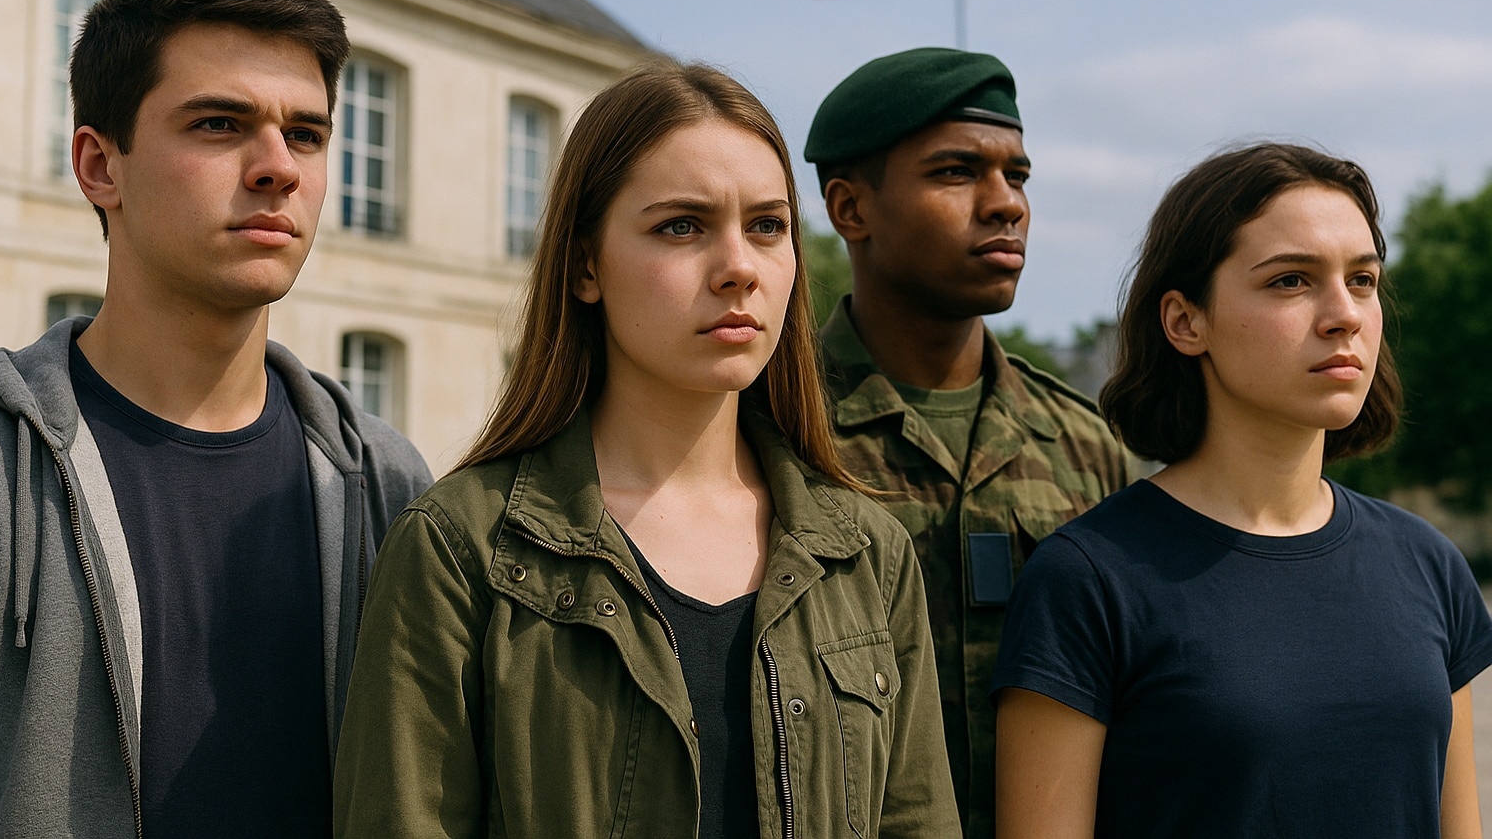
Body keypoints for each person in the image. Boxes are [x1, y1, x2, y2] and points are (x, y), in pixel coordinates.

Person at [333, 61, 961, 838]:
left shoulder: (870, 555)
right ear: (586, 264)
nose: (738, 268)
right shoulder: (461, 549)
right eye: (681, 226)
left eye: (767, 226)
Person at [0, 0, 433, 837]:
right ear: (100, 165)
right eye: (220, 124)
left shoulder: (390, 487)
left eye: (308, 134)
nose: (277, 167)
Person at [991, 143, 1492, 838]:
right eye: (1291, 280)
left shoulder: (1429, 566)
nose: (1344, 314)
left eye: (1364, 280)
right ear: (1185, 321)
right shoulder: (1089, 581)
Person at [803, 46, 1129, 835]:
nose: (1005, 204)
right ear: (852, 210)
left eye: (1015, 177)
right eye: (956, 172)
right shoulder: (773, 427)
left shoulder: (1081, 443)